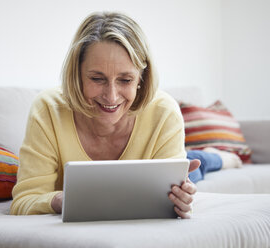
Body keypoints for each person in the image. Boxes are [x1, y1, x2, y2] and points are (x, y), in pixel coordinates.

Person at [11, 11, 201, 219]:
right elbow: (23, 202)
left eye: (125, 80)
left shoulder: (164, 113)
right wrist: (60, 200)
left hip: (184, 155)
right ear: (77, 75)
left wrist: (181, 201)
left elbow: (172, 204)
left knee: (199, 166)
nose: (111, 97)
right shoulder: (48, 109)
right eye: (97, 79)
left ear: (141, 79)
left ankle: (218, 157)